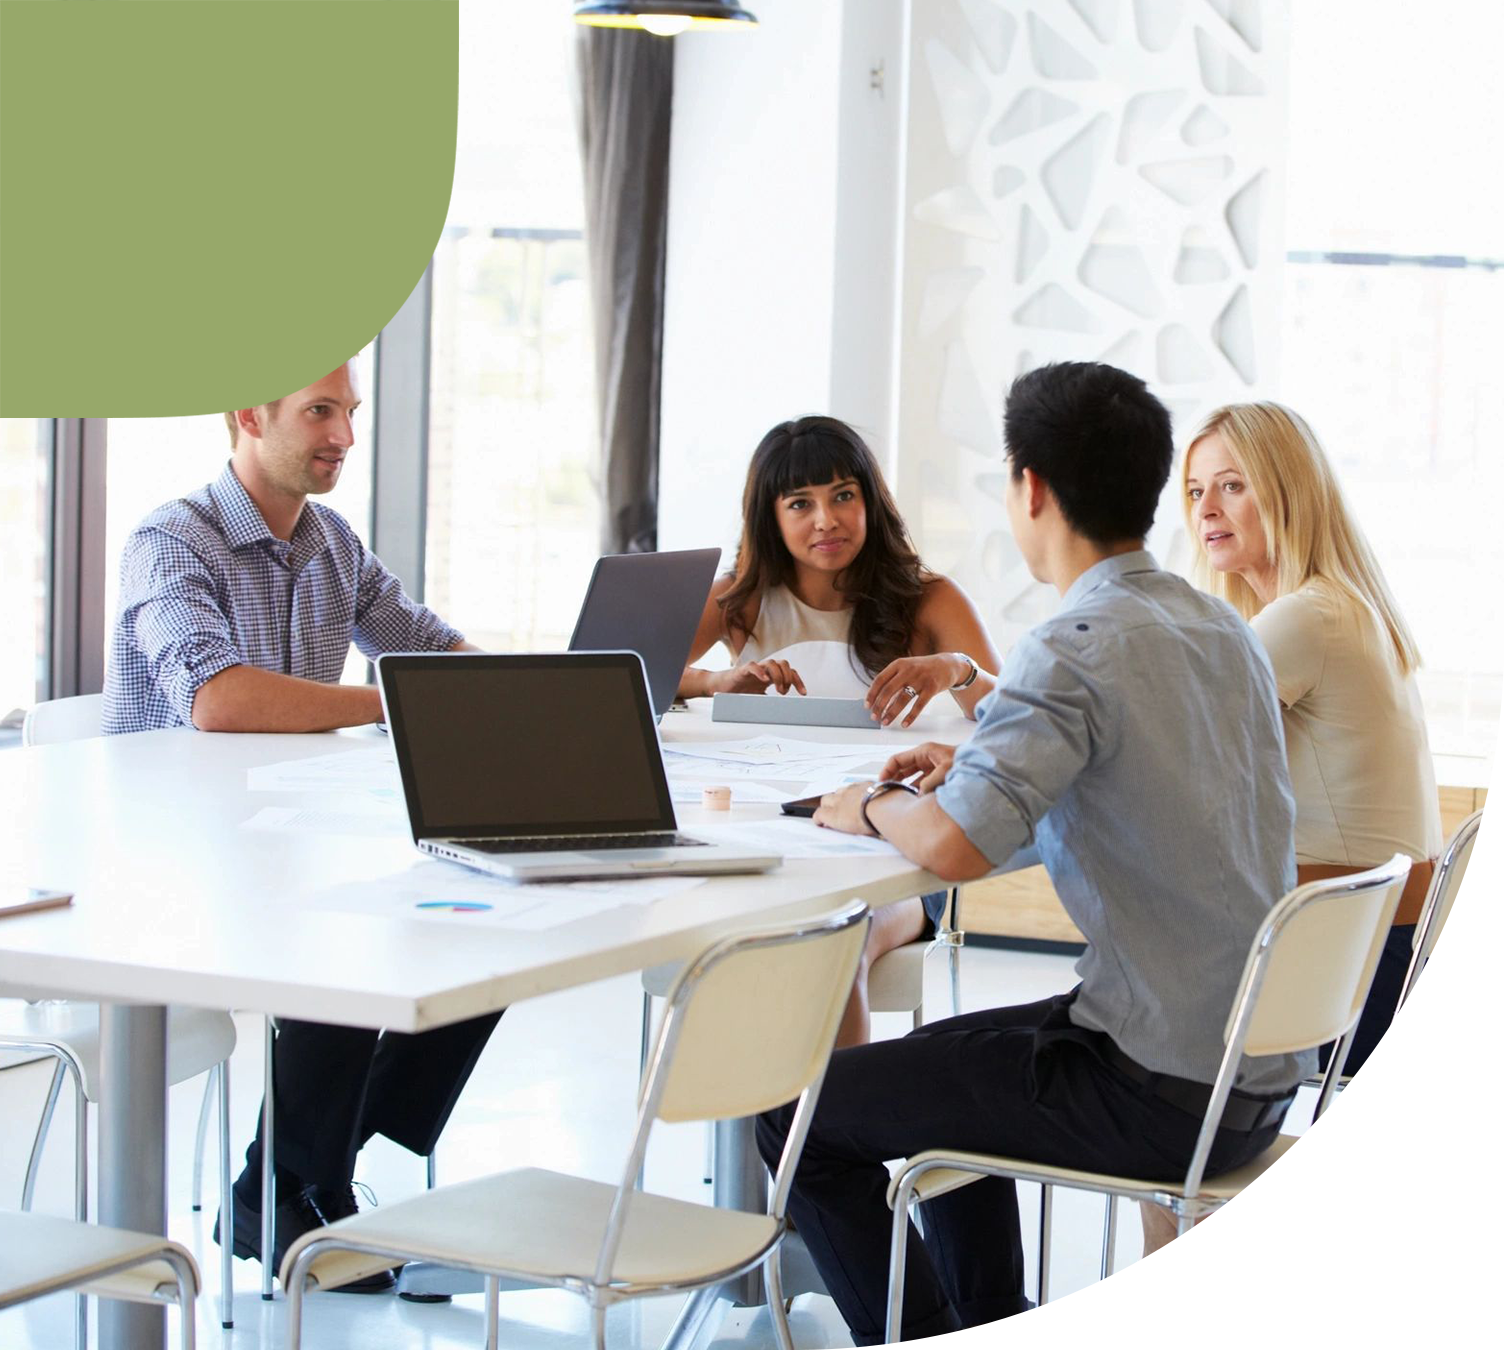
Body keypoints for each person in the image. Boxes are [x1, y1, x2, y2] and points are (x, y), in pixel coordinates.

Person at [754, 361, 1303, 1349]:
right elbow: (1123, 763)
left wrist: (870, 801)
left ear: (1032, 488)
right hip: (1249, 1076)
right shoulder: (1218, 625)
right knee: (936, 1071)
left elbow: (956, 846)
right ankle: (988, 1330)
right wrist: (969, 751)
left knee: (799, 1121)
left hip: (1155, 1088)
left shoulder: (1076, 640)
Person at [102, 361, 499, 1293]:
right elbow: (218, 699)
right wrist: (390, 702)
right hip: (172, 858)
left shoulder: (330, 542)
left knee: (481, 917)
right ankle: (293, 1191)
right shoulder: (171, 540)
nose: (344, 438)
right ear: (247, 413)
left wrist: (530, 691)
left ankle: (287, 1182)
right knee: (356, 933)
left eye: (350, 413)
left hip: (286, 845)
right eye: (320, 412)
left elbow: (433, 649)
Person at [679, 415, 1003, 1044]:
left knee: (832, 944)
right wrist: (714, 682)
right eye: (800, 503)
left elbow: (1013, 719)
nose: (825, 520)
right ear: (770, 517)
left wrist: (956, 670)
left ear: (869, 502)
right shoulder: (737, 600)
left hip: (898, 849)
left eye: (843, 496)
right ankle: (790, 1136)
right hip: (767, 837)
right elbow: (641, 673)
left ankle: (830, 1139)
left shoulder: (930, 599)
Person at [1183, 401, 1440, 1071]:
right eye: (1195, 490)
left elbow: (1166, 744)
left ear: (1288, 492)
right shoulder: (1342, 605)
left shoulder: (1304, 619)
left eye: (1232, 485)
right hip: (1393, 940)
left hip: (1355, 951)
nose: (1206, 508)